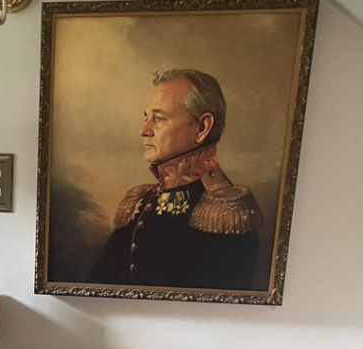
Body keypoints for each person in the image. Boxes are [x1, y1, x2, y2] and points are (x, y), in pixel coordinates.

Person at [90, 68, 263, 291]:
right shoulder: (140, 200)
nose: (144, 130)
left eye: (159, 119)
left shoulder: (226, 212)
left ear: (201, 128)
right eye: (146, 117)